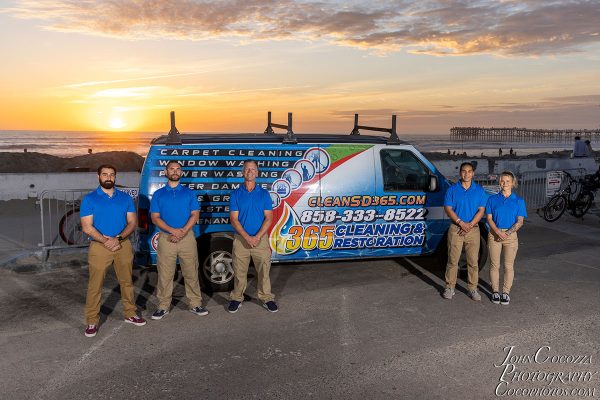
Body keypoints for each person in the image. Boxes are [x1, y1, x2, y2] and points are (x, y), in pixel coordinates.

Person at [80, 164, 146, 337]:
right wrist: (106, 241)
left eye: (112, 174)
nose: (108, 177)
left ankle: (130, 313)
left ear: (115, 177)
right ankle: (92, 321)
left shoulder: (125, 198)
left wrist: (118, 239)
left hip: (122, 245)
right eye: (104, 174)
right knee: (95, 285)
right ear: (98, 176)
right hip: (99, 247)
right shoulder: (90, 199)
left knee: (127, 282)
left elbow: (132, 222)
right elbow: (87, 227)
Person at [150, 160, 207, 320]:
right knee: (165, 274)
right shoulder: (158, 194)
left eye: (178, 169)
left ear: (181, 172)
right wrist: (172, 230)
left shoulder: (189, 193)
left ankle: (195, 303)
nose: (175, 171)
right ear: (166, 172)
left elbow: (195, 214)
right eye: (171, 169)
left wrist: (182, 232)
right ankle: (163, 306)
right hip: (166, 238)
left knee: (191, 271)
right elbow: (155, 218)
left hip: (187, 237)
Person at [227, 159, 277, 313]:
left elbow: (269, 218)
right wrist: (247, 237)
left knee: (264, 271)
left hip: (260, 240)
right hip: (241, 240)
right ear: (243, 172)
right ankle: (236, 298)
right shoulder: (236, 194)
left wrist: (256, 237)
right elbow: (233, 219)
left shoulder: (264, 194)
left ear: (257, 172)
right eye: (247, 169)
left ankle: (266, 297)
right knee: (239, 271)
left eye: (253, 169)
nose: (250, 172)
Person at [442, 162, 487, 301]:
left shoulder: (479, 190)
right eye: (463, 171)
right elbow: (448, 209)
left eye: (469, 171)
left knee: (473, 262)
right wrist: (461, 223)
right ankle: (450, 287)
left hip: (473, 230)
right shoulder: (452, 190)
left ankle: (473, 289)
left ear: (473, 173)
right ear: (460, 172)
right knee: (452, 260)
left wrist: (470, 224)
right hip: (456, 229)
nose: (466, 174)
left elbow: (481, 210)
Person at [485, 171, 527, 305]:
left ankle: (506, 292)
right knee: (494, 265)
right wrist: (497, 231)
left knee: (508, 266)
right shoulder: (492, 199)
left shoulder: (518, 201)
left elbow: (520, 221)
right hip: (494, 234)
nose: (505, 184)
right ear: (499, 182)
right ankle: (495, 292)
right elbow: (489, 218)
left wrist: (507, 233)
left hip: (510, 236)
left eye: (508, 181)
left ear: (513, 183)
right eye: (502, 181)